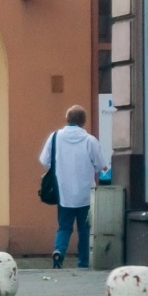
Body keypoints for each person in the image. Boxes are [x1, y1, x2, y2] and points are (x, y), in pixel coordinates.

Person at [40, 105, 110, 269]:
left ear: (67, 119)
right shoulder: (90, 140)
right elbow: (101, 165)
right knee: (84, 229)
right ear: (83, 121)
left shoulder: (55, 137)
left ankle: (59, 251)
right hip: (86, 193)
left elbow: (45, 160)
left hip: (63, 191)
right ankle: (83, 263)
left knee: (64, 226)